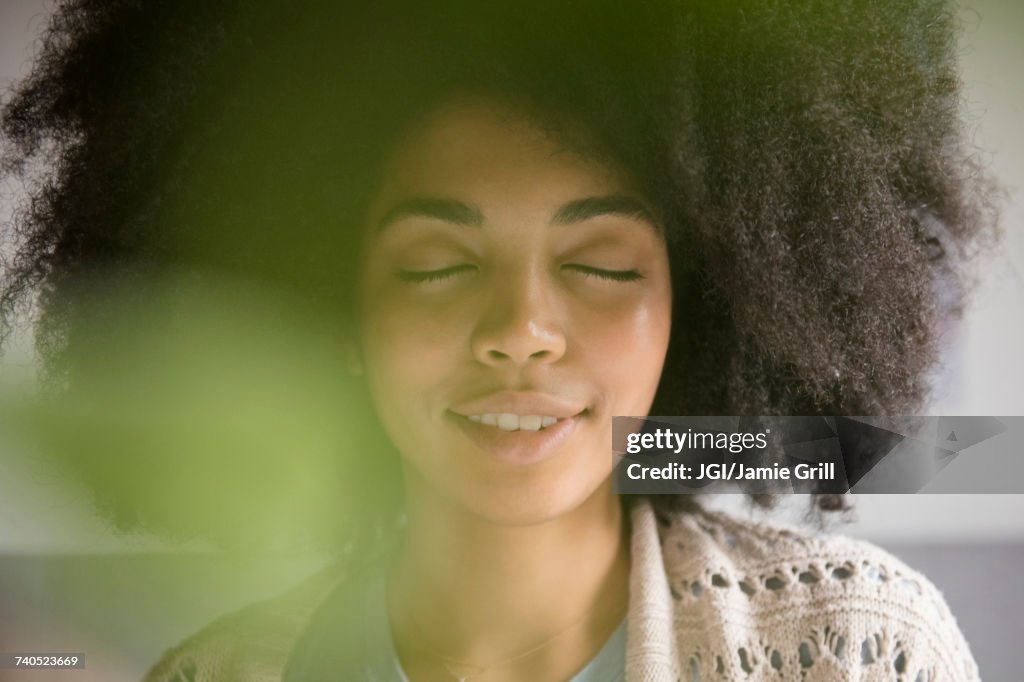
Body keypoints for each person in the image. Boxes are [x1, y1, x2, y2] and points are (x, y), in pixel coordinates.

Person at [0, 0, 994, 680]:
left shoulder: (858, 644)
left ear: (693, 309)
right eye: (436, 266)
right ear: (337, 315)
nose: (520, 329)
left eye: (600, 265)